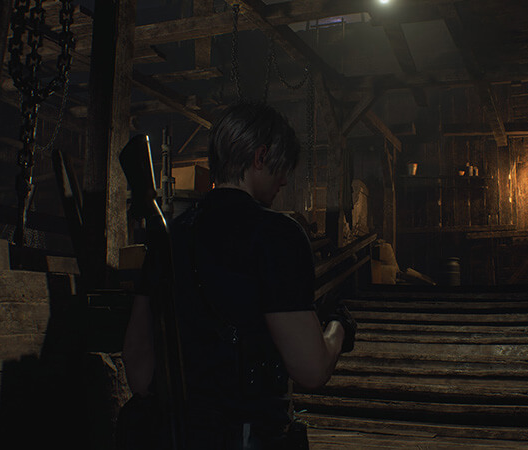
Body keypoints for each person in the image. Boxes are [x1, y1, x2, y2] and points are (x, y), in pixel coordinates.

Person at [121, 102, 356, 449]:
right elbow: (311, 369)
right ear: (260, 157)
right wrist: (338, 329)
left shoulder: (171, 237)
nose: (284, 180)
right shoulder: (277, 234)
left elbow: (139, 370)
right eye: (281, 168)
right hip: (249, 437)